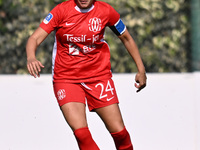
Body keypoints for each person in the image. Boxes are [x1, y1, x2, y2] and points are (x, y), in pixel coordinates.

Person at [26, 0, 147, 149]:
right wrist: (31, 57)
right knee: (81, 134)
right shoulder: (61, 11)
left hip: (98, 76)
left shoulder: (106, 11)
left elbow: (126, 37)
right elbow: (35, 38)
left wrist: (141, 69)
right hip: (66, 78)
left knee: (119, 132)